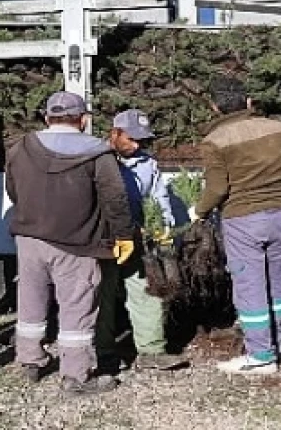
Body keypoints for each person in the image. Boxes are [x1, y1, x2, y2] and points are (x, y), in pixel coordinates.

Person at [7, 91, 135, 396]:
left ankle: (30, 360)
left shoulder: (21, 147)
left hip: (29, 239)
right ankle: (77, 376)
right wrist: (124, 234)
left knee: (31, 298)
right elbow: (114, 198)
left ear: (47, 117)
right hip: (77, 241)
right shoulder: (98, 153)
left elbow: (13, 189)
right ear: (83, 119)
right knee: (77, 304)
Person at [191, 76, 281, 375]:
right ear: (248, 102)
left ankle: (261, 356)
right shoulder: (277, 128)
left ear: (215, 106)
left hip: (243, 219)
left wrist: (200, 211)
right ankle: (279, 343)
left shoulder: (214, 141)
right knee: (278, 282)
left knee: (250, 287)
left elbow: (218, 188)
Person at [96, 108, 187, 371]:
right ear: (115, 133)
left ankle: (152, 352)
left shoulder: (148, 164)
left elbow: (160, 199)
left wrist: (165, 227)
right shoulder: (98, 160)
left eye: (142, 141)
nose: (136, 145)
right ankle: (102, 353)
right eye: (131, 139)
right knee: (102, 295)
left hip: (139, 240)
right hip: (106, 241)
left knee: (148, 292)